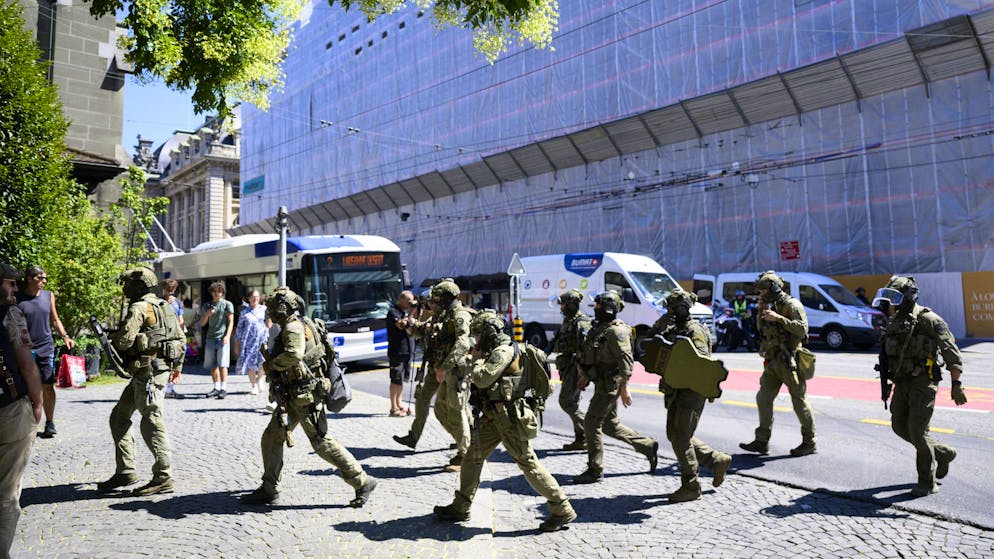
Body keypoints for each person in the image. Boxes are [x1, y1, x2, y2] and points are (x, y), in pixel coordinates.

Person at [434, 310, 577, 532]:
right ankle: (461, 506)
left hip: (508, 419)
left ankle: (562, 508)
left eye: (479, 334)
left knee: (528, 463)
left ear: (490, 332)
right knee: (473, 457)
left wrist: (474, 358)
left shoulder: (502, 352)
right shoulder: (495, 349)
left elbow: (482, 379)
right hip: (493, 418)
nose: (476, 339)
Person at [240, 287, 377, 507]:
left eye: (274, 308)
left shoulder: (293, 327)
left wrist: (273, 365)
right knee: (272, 437)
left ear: (284, 309)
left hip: (304, 395)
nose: (271, 313)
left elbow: (294, 354)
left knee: (321, 442)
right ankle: (269, 488)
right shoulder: (299, 323)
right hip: (293, 395)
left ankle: (363, 481)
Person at [873, 276, 968, 497]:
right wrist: (886, 383)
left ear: (909, 296)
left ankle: (926, 481)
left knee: (917, 431)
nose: (892, 303)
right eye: (889, 298)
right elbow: (888, 356)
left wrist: (957, 384)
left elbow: (951, 352)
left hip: (923, 382)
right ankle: (942, 453)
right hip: (901, 382)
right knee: (898, 426)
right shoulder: (895, 321)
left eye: (896, 298)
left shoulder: (928, 319)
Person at [97, 267, 181, 496]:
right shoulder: (165, 305)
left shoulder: (138, 307)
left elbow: (124, 341)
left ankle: (163, 476)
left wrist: (111, 338)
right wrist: (178, 367)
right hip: (149, 372)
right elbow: (180, 337)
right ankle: (126, 470)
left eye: (128, 285)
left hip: (148, 374)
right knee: (119, 417)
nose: (124, 289)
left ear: (138, 286)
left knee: (151, 420)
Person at [651, 289, 732, 502]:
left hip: (691, 391)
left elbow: (700, 366)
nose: (667, 311)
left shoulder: (694, 330)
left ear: (680, 308)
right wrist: (664, 320)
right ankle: (716, 460)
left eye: (670, 308)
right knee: (675, 434)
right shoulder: (675, 327)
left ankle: (691, 485)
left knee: (680, 437)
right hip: (676, 389)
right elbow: (653, 339)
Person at [573, 291, 658, 484]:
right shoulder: (602, 328)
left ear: (608, 308)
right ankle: (647, 445)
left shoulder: (616, 331)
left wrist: (624, 387)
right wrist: (584, 376)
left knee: (591, 423)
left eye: (598, 306)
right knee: (610, 426)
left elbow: (626, 362)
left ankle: (595, 469)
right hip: (601, 382)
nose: (595, 309)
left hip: (609, 386)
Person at [394, 280, 472, 473]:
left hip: (454, 370)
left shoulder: (459, 315)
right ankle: (466, 443)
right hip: (440, 368)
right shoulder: (442, 315)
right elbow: (424, 331)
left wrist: (445, 367)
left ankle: (466, 455)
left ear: (446, 299)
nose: (432, 304)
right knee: (440, 410)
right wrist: (409, 326)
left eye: (436, 300)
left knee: (456, 410)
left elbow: (464, 342)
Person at [740, 271, 817, 457]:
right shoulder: (769, 305)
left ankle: (809, 442)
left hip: (790, 360)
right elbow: (762, 330)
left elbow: (803, 329)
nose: (761, 295)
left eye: (763, 291)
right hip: (773, 361)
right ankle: (761, 441)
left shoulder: (792, 305)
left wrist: (779, 318)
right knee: (763, 397)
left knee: (799, 401)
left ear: (774, 289)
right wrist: (761, 312)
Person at [0, 262, 43, 559]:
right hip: (10, 409)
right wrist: (38, 402)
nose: (15, 289)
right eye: (10, 283)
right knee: (6, 493)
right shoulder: (11, 314)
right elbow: (27, 364)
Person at [16, 265, 74, 439]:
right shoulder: (18, 298)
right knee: (25, 387)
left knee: (48, 386)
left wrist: (65, 336)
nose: (43, 281)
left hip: (45, 347)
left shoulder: (49, 296)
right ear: (29, 278)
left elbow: (55, 319)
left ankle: (49, 423)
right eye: (40, 278)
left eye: (45, 278)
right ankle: (27, 424)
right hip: (25, 349)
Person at [553, 289, 590, 451]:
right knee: (573, 402)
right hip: (568, 366)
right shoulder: (569, 320)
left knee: (566, 401)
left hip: (576, 367)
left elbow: (584, 350)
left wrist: (583, 374)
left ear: (572, 305)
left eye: (564, 305)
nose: (562, 308)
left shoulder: (580, 322)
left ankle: (590, 428)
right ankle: (581, 439)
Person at [199, 281, 234, 399]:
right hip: (210, 338)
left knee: (223, 364)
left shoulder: (227, 304)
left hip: (222, 338)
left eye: (219, 292)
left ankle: (223, 389)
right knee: (212, 365)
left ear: (222, 292)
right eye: (214, 292)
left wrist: (227, 336)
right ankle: (216, 387)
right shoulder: (206, 306)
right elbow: (202, 323)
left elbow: (231, 322)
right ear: (211, 293)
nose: (217, 294)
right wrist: (207, 315)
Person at [234, 289, 270, 396]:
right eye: (253, 297)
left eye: (257, 296)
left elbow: (269, 324)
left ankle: (260, 378)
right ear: (249, 299)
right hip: (248, 342)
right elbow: (240, 328)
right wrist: (237, 343)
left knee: (263, 363)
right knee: (251, 365)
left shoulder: (264, 309)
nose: (255, 298)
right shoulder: (244, 313)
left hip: (262, 341)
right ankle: (254, 385)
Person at [386, 290, 415, 416]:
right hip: (397, 351)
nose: (410, 303)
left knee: (402, 379)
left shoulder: (405, 312)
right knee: (395, 379)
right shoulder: (393, 312)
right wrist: (411, 314)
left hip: (407, 351)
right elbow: (401, 325)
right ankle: (393, 408)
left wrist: (413, 314)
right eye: (409, 301)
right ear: (401, 300)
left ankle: (399, 404)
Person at [162, 279, 185, 399]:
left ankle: (170, 389)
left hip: (175, 336)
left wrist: (180, 332)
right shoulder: (159, 302)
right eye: (168, 290)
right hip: (164, 336)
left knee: (175, 362)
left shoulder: (178, 302)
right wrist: (166, 304)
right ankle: (162, 389)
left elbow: (181, 319)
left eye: (172, 290)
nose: (171, 292)